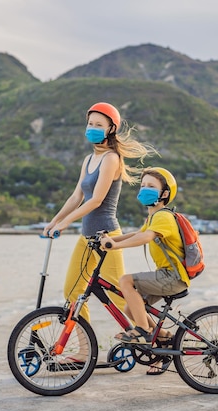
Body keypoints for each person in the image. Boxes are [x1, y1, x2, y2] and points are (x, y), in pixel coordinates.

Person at [44, 102, 155, 324]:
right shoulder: (88, 160)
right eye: (90, 123)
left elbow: (96, 200)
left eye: (99, 124)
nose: (92, 128)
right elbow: (77, 197)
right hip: (87, 237)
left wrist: (65, 223)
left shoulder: (111, 158)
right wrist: (53, 221)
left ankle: (156, 337)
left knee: (120, 296)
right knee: (72, 292)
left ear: (111, 129)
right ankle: (84, 352)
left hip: (107, 236)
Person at [100, 167, 190, 375]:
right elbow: (136, 233)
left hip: (172, 277)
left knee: (125, 281)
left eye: (151, 186)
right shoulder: (153, 218)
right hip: (166, 276)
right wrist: (110, 240)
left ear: (164, 194)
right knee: (132, 307)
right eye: (143, 186)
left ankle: (143, 333)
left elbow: (145, 237)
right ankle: (165, 339)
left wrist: (115, 246)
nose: (144, 189)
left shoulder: (164, 217)